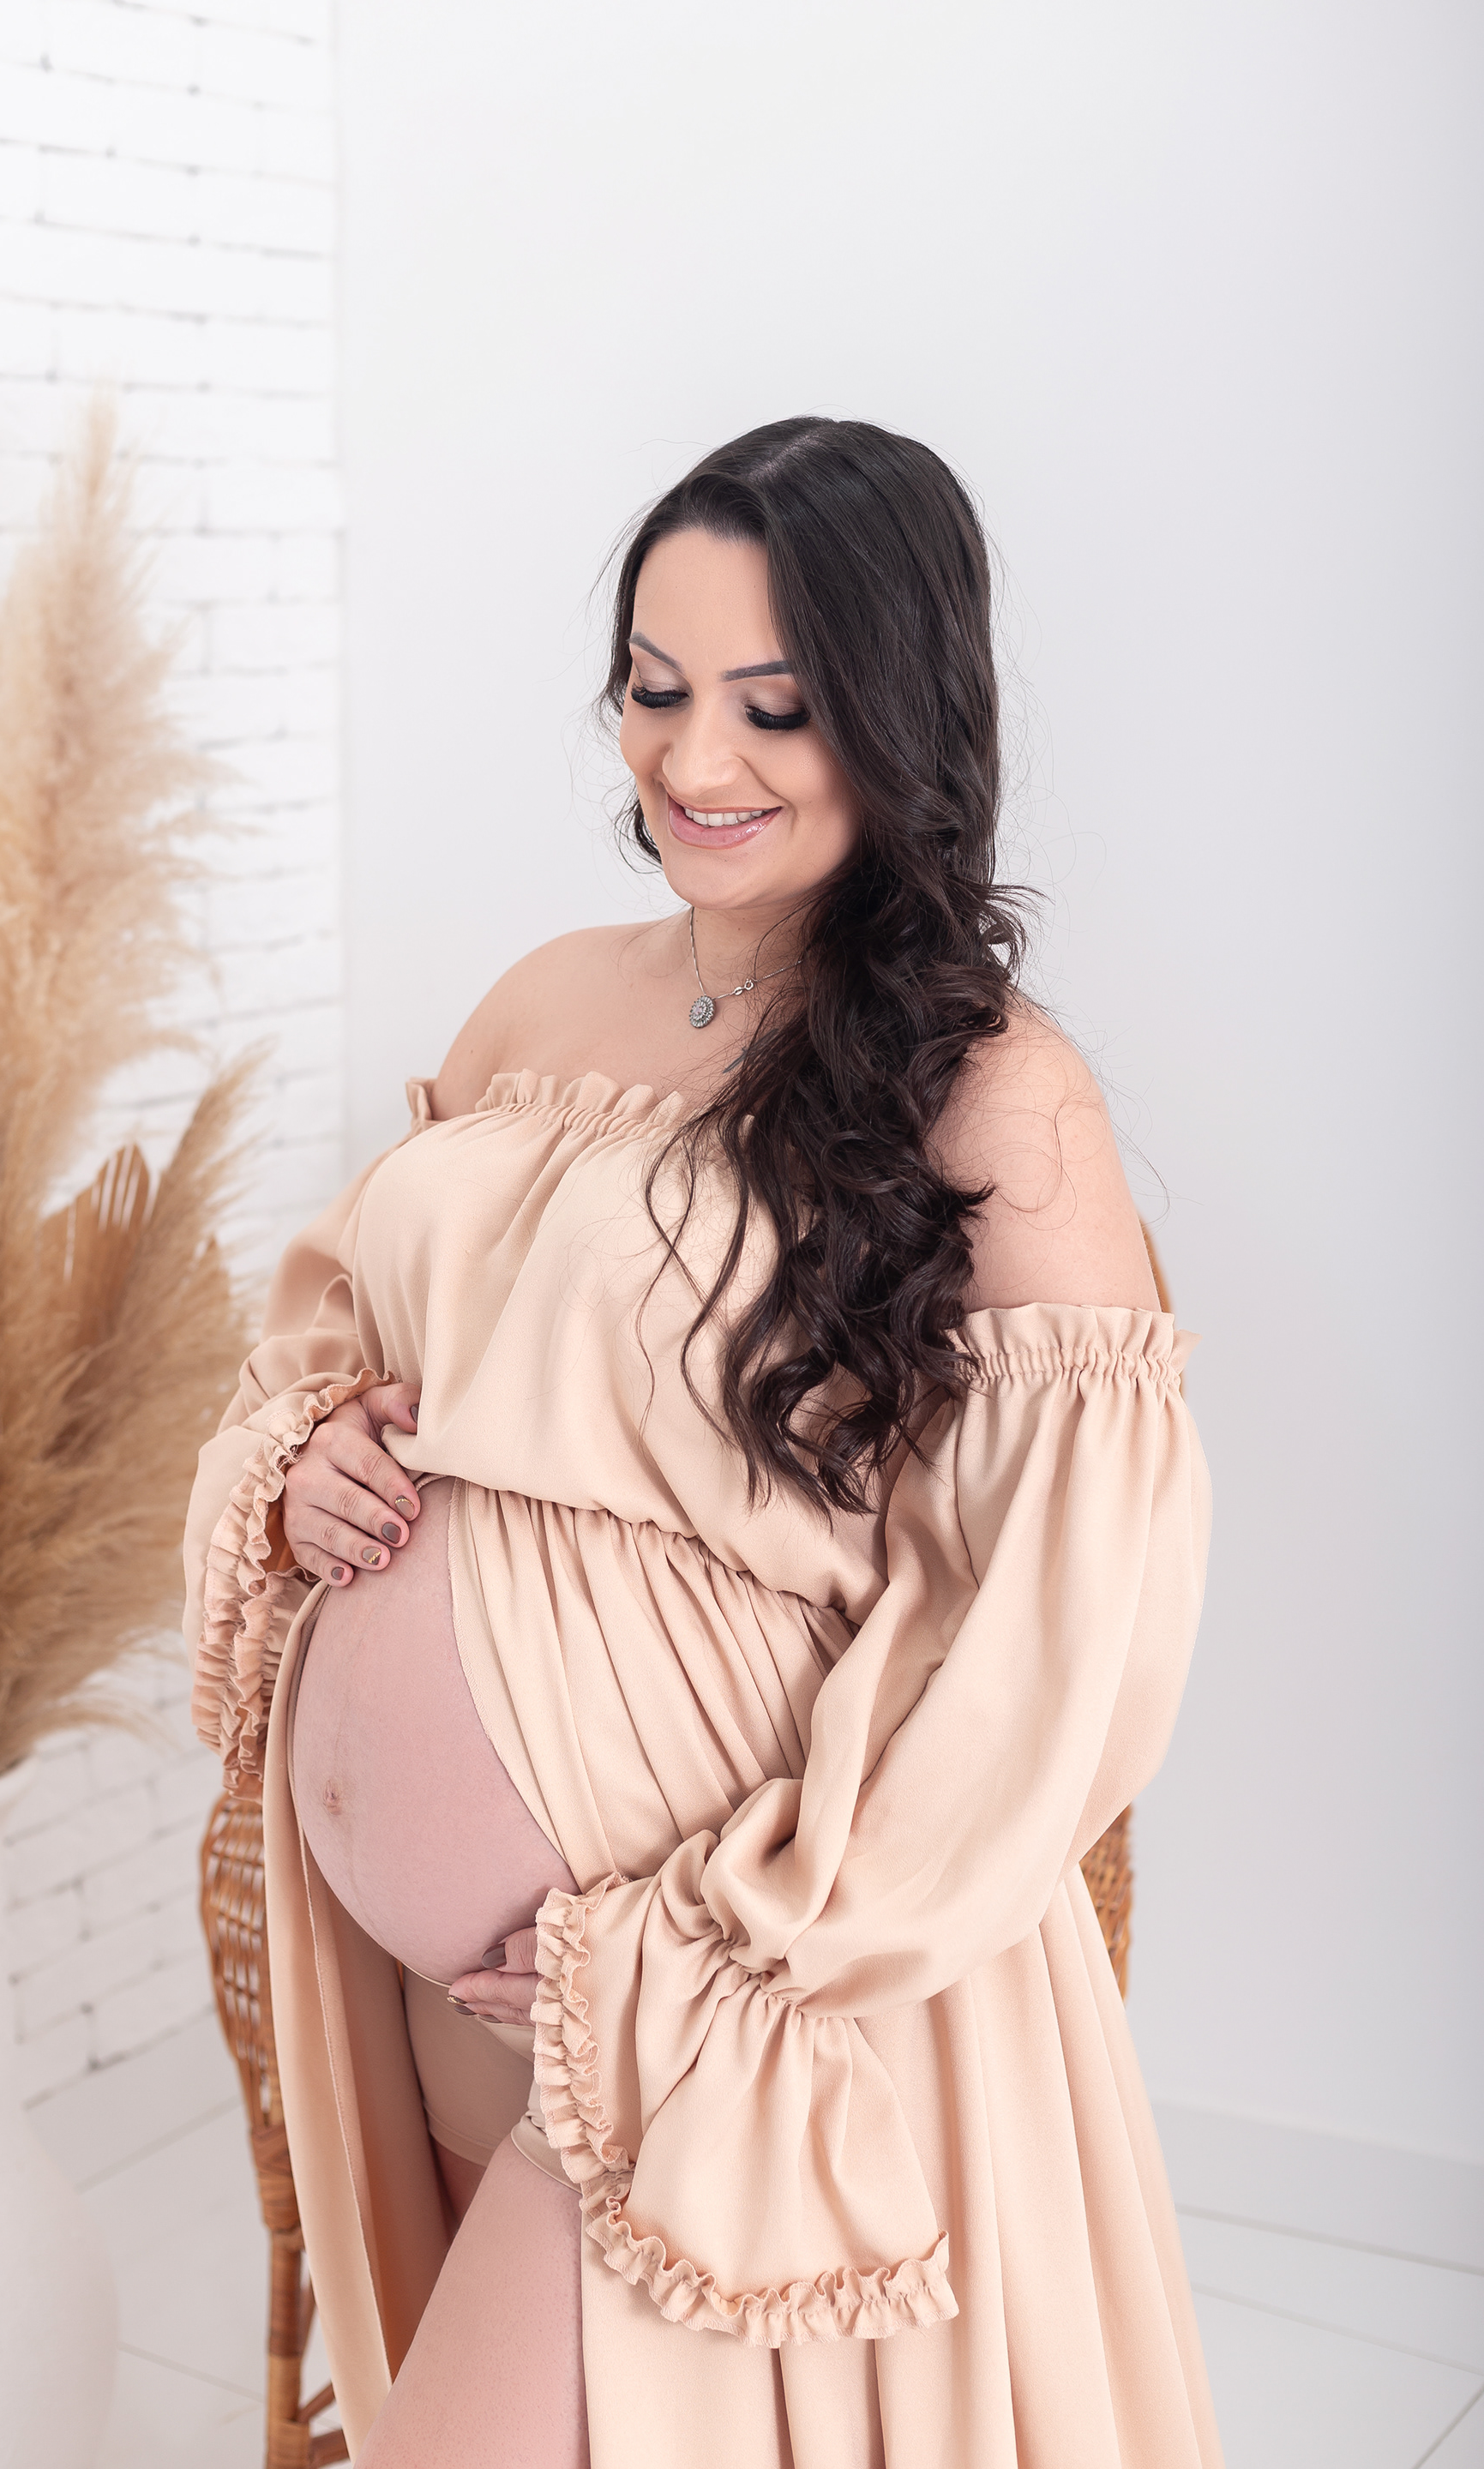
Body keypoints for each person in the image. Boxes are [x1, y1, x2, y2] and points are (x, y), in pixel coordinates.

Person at [183, 416, 1221, 2468]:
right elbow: (335, 1332)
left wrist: (737, 1941)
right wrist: (302, 1458)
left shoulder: (994, 1092)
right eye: (655, 689)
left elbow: (1059, 1624)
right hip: (447, 1988)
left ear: (902, 714)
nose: (694, 757)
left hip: (719, 2003)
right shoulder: (538, 1002)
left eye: (775, 703)